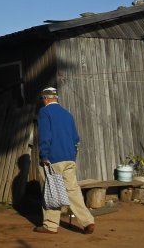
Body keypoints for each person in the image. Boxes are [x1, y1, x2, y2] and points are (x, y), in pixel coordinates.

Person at [34, 86, 95, 235]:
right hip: (69, 158)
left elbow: (45, 137)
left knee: (51, 190)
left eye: (43, 99)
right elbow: (76, 139)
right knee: (72, 190)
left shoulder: (44, 112)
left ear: (45, 98)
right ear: (56, 98)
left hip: (53, 159)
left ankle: (50, 225)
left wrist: (44, 156)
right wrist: (72, 155)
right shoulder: (67, 114)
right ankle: (88, 221)